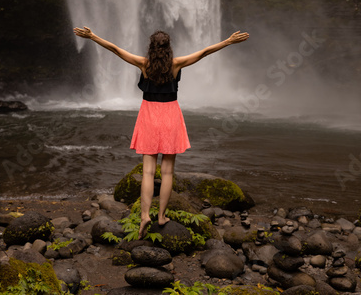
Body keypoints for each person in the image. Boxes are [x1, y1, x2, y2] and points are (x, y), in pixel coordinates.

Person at [73, 26, 249, 238]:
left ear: (151, 47)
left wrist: (92, 36)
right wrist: (228, 41)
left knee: (148, 172)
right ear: (168, 48)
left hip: (148, 116)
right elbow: (204, 52)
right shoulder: (176, 64)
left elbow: (116, 50)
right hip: (170, 117)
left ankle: (145, 215)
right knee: (166, 172)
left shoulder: (143, 63)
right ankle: (161, 216)